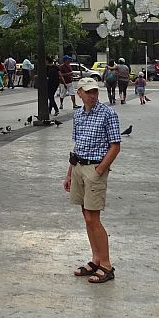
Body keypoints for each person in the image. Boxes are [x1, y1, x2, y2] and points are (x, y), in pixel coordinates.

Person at [64, 77, 122, 284]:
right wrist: (69, 173)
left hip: (94, 168)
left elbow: (115, 145)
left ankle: (106, 265)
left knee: (94, 218)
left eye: (95, 92)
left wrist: (99, 170)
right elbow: (77, 144)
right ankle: (95, 259)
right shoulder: (78, 114)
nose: (92, 95)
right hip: (79, 166)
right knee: (86, 216)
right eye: (88, 92)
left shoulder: (108, 114)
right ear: (79, 93)